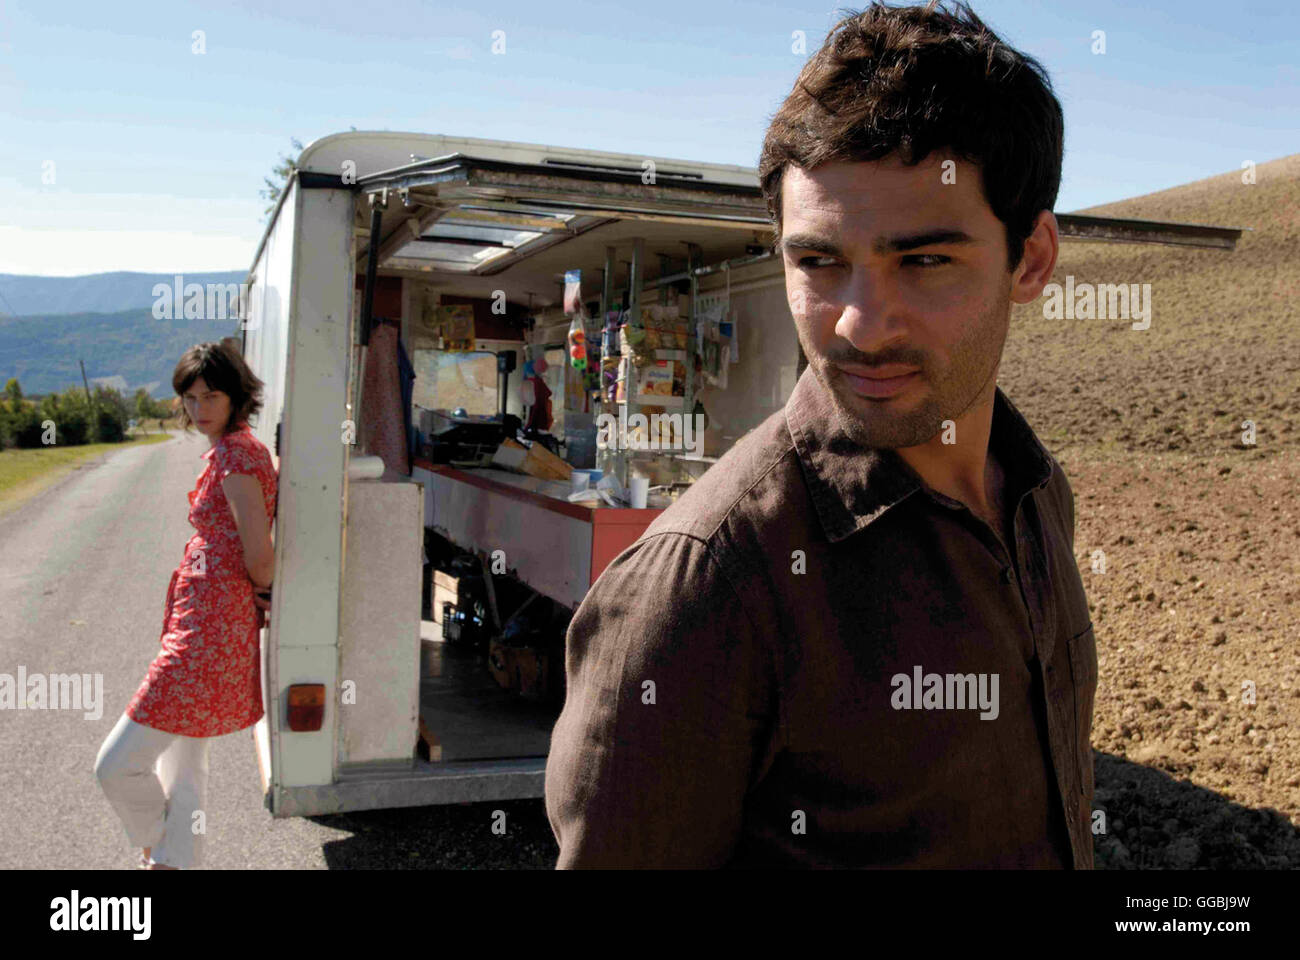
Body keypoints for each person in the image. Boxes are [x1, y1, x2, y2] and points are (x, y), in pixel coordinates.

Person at [545, 0, 1097, 867]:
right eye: (819, 263)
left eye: (922, 261)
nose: (860, 327)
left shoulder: (1034, 493)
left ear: (1030, 260)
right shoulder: (703, 588)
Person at [95, 341, 277, 869]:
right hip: (204, 622)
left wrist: (263, 585)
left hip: (206, 636)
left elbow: (258, 552)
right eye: (191, 398)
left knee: (116, 765)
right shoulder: (233, 449)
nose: (199, 410)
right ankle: (176, 863)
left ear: (237, 396)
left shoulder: (237, 456)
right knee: (186, 764)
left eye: (211, 396)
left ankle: (159, 843)